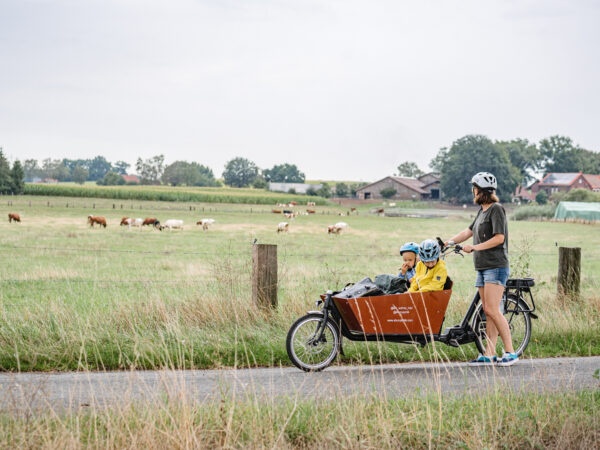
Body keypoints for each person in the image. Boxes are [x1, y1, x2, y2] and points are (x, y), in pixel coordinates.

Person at [446, 171, 518, 366]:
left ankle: (510, 352)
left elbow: (499, 238)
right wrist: (449, 242)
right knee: (488, 311)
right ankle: (489, 353)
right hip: (483, 267)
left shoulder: (496, 209)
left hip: (496, 266)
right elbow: (468, 231)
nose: (473, 191)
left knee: (493, 310)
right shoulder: (482, 211)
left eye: (474, 188)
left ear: (481, 191)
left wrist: (474, 247)